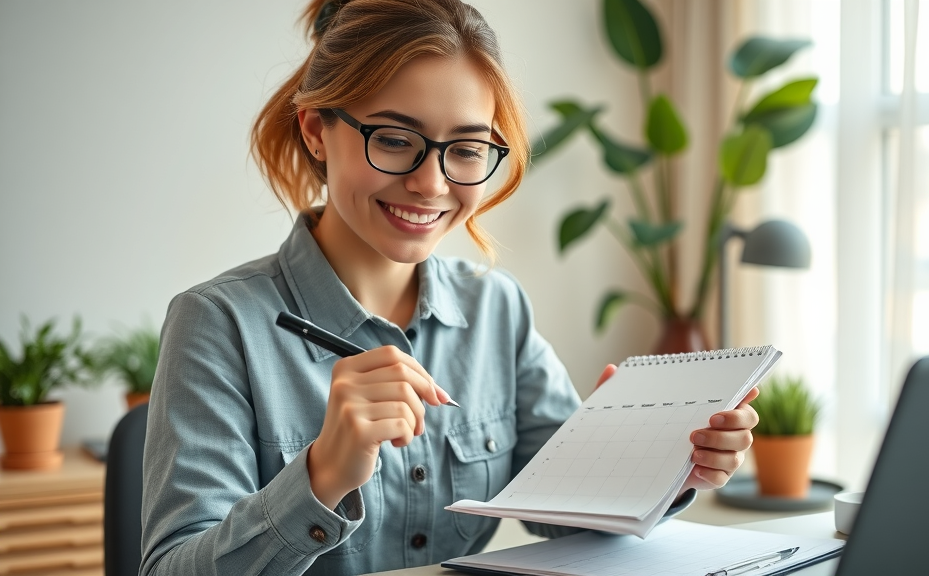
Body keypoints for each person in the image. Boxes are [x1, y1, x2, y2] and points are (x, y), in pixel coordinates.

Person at [140, 1, 760, 574]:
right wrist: (321, 475)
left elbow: (560, 507)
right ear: (313, 131)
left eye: (465, 149)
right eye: (393, 139)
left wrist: (659, 462)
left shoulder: (497, 308)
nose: (431, 184)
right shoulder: (217, 323)